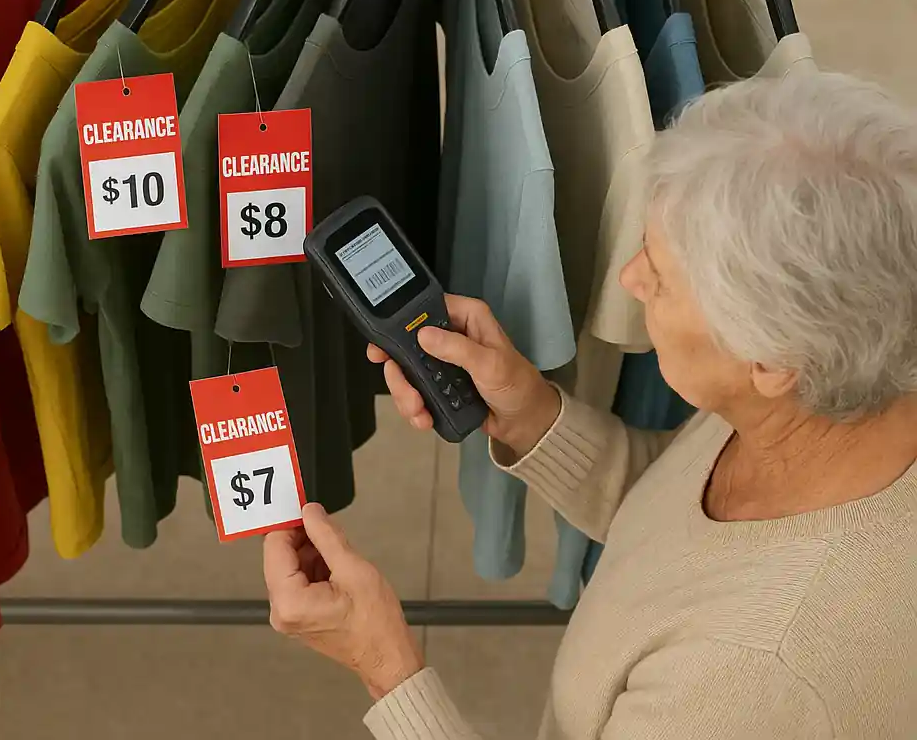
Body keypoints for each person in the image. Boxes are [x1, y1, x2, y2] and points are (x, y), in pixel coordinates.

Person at [263, 70, 917, 739]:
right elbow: (683, 518)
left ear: (771, 361)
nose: (630, 278)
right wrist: (532, 416)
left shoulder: (754, 680)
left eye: (659, 279)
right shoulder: (830, 388)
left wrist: (383, 663)